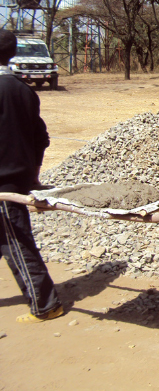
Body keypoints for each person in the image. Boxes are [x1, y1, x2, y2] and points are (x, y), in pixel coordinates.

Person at [0, 29, 63, 323]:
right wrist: (33, 173)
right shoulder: (24, 89)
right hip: (19, 175)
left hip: (4, 181)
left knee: (16, 241)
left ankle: (46, 303)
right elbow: (40, 137)